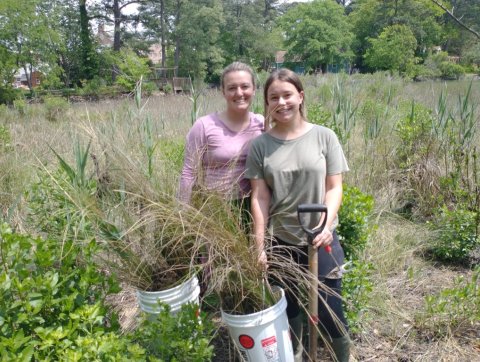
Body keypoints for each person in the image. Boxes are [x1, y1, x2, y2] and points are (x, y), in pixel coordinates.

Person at [246, 68, 352, 362]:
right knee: (289, 309)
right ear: (266, 103)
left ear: (300, 96)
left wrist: (326, 224)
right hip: (282, 241)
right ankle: (294, 354)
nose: (282, 102)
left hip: (322, 240)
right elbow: (260, 197)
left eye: (287, 95)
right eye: (273, 97)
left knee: (331, 309)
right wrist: (259, 246)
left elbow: (334, 188)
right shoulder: (260, 146)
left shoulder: (324, 136)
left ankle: (342, 357)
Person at [179, 61, 264, 211]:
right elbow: (188, 172)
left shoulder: (262, 124)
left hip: (254, 205)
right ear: (223, 91)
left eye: (245, 86)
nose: (239, 93)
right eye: (232, 88)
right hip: (214, 207)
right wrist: (183, 212)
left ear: (254, 89)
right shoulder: (204, 125)